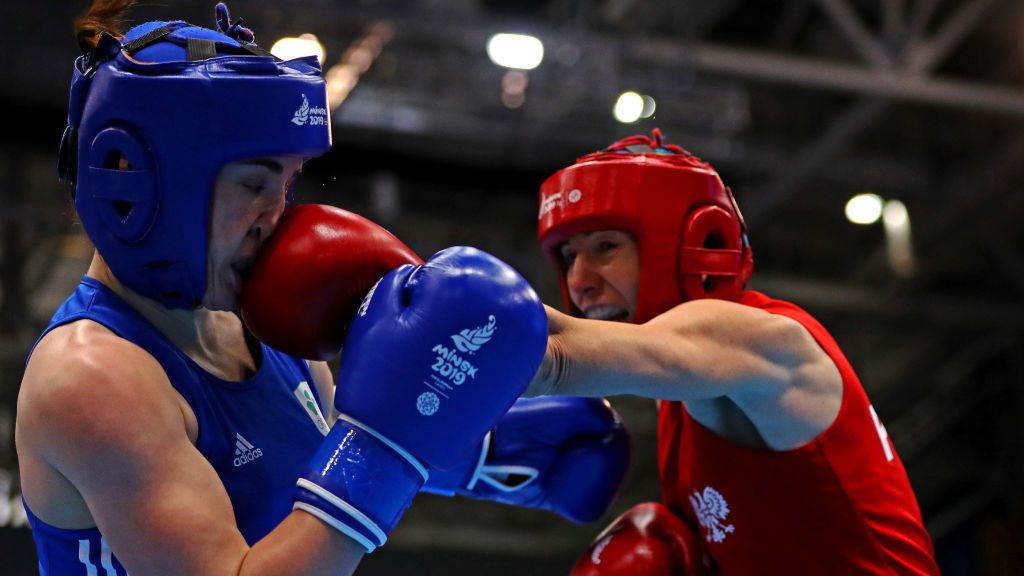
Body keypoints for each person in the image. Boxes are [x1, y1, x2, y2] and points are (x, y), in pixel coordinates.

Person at [14, 2, 594, 575]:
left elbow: (323, 449)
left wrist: (491, 457)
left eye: (288, 185)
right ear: (146, 178)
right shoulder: (91, 375)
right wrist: (386, 446)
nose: (278, 216)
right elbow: (361, 458)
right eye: (255, 184)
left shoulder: (256, 318)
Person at [530, 129, 942, 575]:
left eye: (605, 247)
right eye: (570, 256)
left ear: (692, 242)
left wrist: (468, 353)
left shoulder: (761, 339)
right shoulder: (683, 398)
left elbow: (557, 359)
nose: (578, 280)